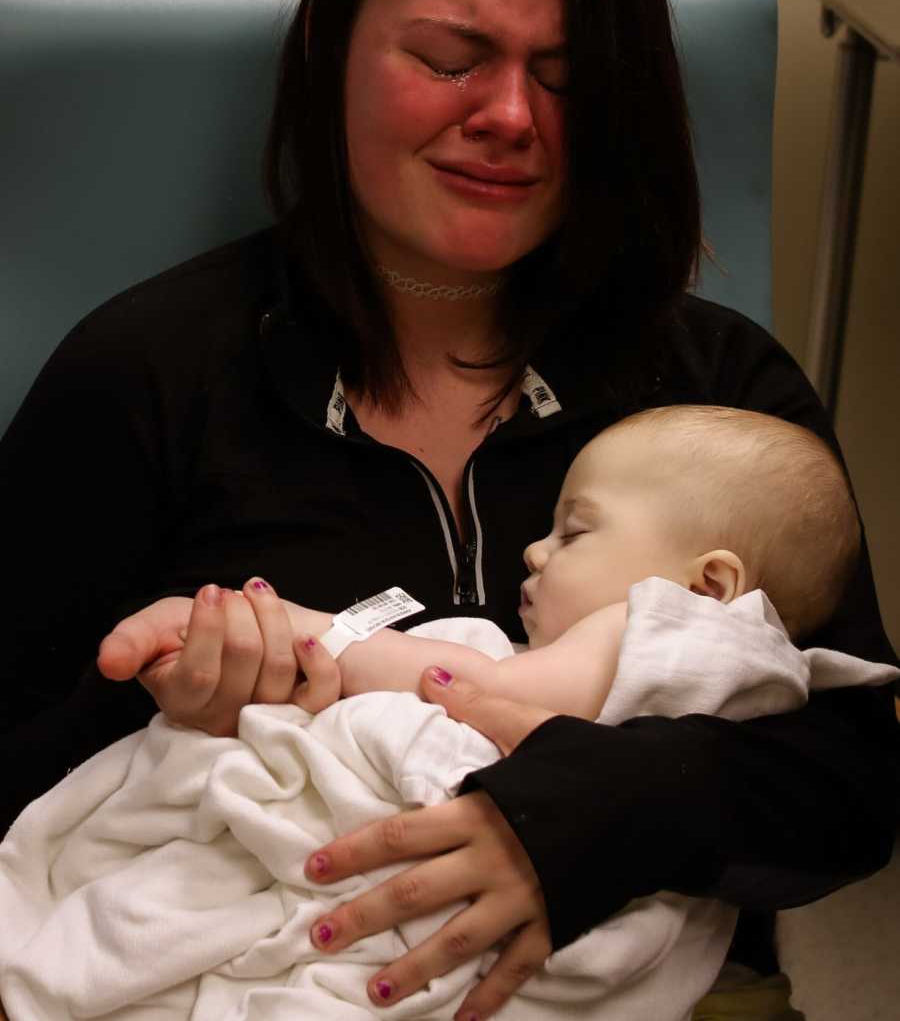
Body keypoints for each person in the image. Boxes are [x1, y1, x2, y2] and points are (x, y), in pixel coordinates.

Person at [0, 0, 897, 1021]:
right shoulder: (150, 376)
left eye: (566, 75)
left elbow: (853, 781)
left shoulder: (716, 394)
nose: (513, 118)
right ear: (328, 46)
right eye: (448, 59)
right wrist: (169, 703)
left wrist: (580, 814)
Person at [2, 406, 894, 1019]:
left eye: (576, 531)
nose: (536, 550)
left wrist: (320, 636)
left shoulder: (674, 628)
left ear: (712, 582)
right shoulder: (750, 669)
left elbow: (466, 683)